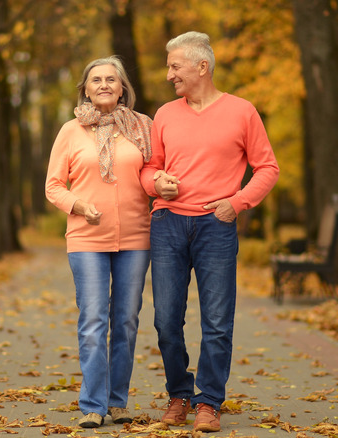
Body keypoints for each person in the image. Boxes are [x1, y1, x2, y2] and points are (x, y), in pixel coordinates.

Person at [140, 31, 279, 433]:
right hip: (168, 223)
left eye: (175, 66)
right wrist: (156, 184)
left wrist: (236, 204)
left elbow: (267, 167)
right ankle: (179, 393)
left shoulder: (242, 112)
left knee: (217, 320)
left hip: (216, 226)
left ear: (202, 66)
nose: (169, 75)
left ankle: (209, 402)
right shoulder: (165, 114)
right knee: (166, 320)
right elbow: (150, 168)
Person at [45, 56, 152, 429]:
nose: (104, 84)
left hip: (136, 236)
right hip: (87, 238)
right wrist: (77, 204)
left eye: (111, 79)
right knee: (93, 320)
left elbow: (154, 171)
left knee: (124, 321)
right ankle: (92, 404)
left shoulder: (143, 128)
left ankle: (117, 401)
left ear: (123, 87)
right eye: (96, 80)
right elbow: (53, 185)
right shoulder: (71, 131)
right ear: (86, 89)